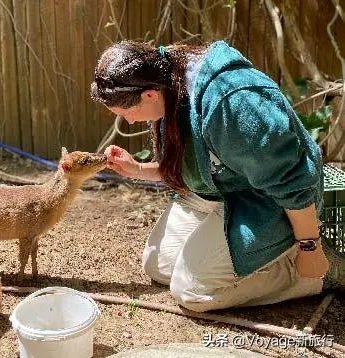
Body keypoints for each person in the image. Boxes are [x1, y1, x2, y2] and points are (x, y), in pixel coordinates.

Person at [90, 40, 341, 312]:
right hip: (221, 190)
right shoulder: (168, 82)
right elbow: (194, 168)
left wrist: (309, 246)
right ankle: (251, 252)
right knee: (159, 265)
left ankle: (317, 274)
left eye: (128, 112)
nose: (130, 121)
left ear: (149, 95)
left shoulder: (231, 102)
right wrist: (137, 170)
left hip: (269, 199)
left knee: (192, 291)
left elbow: (290, 180)